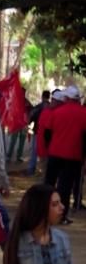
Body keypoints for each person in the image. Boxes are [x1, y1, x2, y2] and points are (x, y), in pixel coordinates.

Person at [44, 85, 86, 224]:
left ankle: (43, 212)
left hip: (55, 153)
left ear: (67, 98)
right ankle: (61, 216)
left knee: (49, 183)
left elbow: (47, 133)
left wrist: (49, 147)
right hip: (73, 156)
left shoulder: (57, 112)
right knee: (65, 187)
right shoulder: (83, 113)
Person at [26, 90, 50, 175]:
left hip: (38, 132)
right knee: (47, 153)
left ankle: (31, 170)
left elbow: (31, 117)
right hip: (49, 133)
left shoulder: (39, 107)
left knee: (34, 151)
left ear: (42, 96)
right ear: (49, 96)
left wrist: (29, 125)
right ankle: (45, 172)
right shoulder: (51, 107)